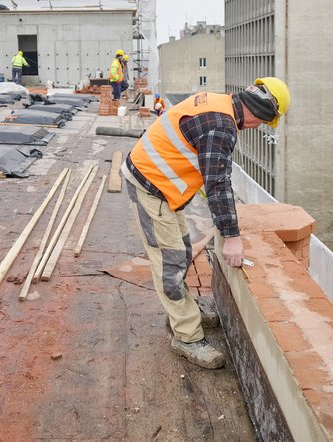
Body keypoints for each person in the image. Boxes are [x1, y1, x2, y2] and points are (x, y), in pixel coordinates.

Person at [122, 77, 290, 369]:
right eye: (264, 121)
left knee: (183, 250)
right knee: (169, 262)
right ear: (259, 112)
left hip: (164, 187)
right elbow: (217, 184)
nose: (259, 127)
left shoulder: (220, 102)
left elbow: (203, 164)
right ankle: (186, 336)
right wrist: (232, 236)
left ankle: (184, 311)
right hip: (150, 186)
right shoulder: (221, 126)